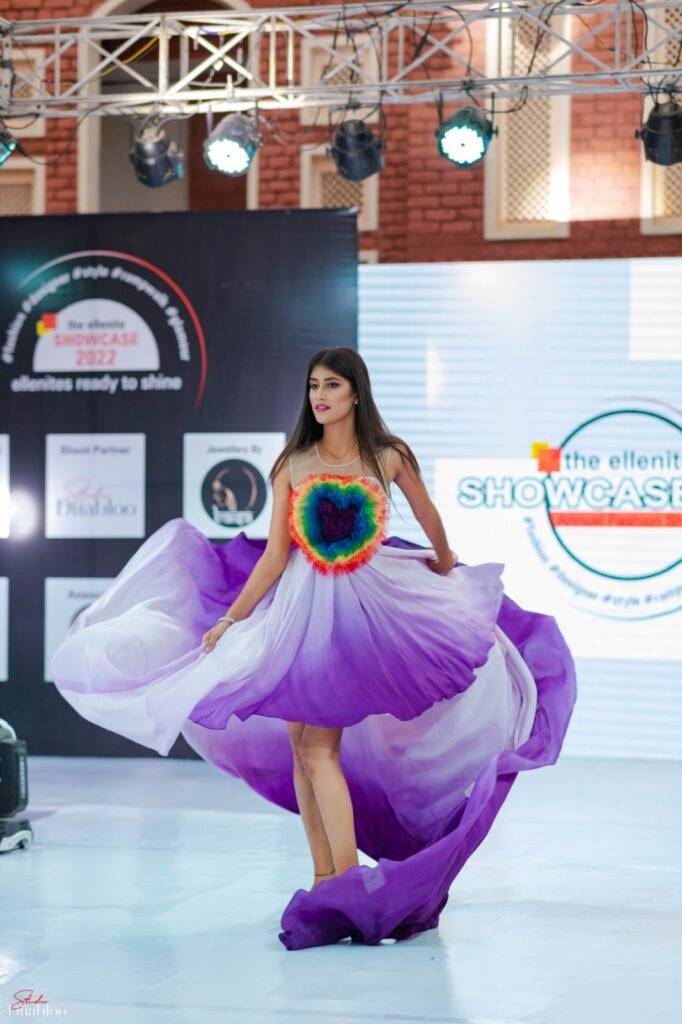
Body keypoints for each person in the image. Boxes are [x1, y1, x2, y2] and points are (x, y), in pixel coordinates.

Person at [52, 346, 576, 951]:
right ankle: (326, 877)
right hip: (298, 613)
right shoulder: (294, 462)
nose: (319, 396)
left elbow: (430, 518)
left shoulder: (388, 454)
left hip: (360, 613)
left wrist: (444, 563)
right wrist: (233, 617)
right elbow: (276, 555)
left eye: (331, 385)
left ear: (356, 391)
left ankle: (348, 883)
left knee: (321, 748)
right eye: (313, 386)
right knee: (303, 747)